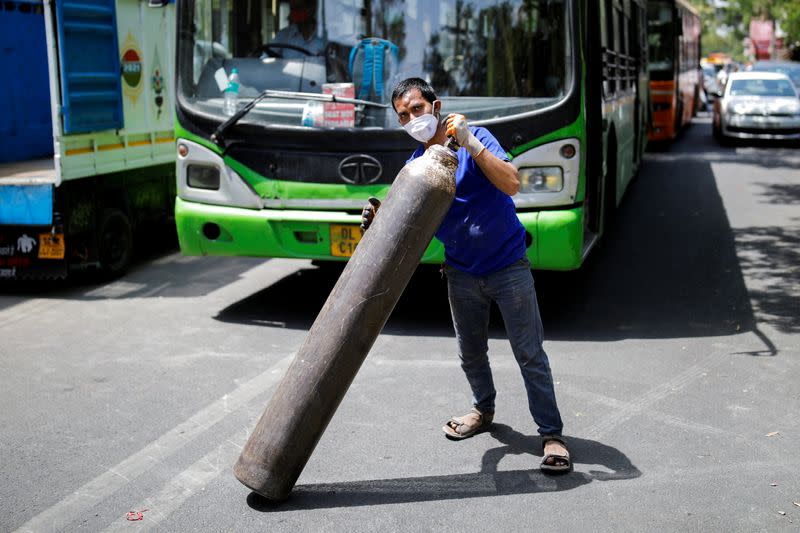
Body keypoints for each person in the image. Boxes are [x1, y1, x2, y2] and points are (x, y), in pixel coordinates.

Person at [361, 78, 571, 473]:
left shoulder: (479, 140)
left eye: (417, 109)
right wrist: (377, 214)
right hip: (461, 274)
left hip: (509, 268)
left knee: (529, 353)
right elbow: (399, 221)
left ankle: (552, 434)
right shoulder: (416, 168)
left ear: (436, 105)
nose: (412, 119)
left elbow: (510, 183)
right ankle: (483, 410)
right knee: (471, 353)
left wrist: (472, 144)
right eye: (403, 116)